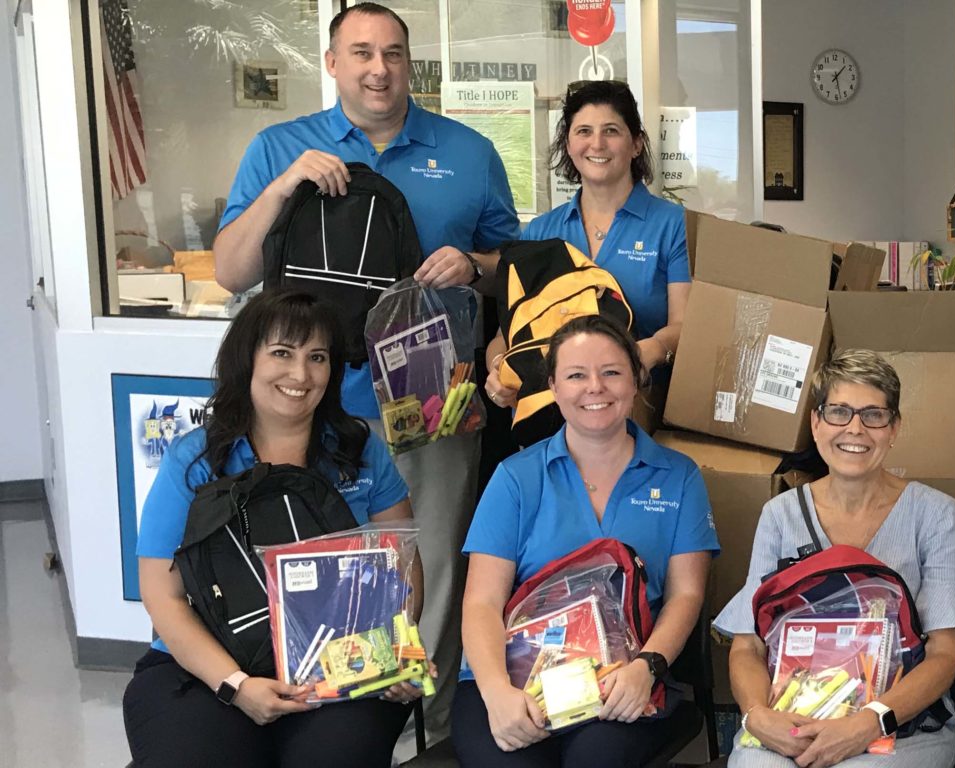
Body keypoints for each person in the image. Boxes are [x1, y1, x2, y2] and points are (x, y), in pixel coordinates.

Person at [210, 3, 522, 736]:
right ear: (332, 63)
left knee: (434, 562)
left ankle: (432, 730)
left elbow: (513, 265)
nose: (378, 68)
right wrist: (285, 185)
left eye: (392, 53)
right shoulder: (280, 146)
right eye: (360, 53)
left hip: (431, 405)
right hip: (304, 401)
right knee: (308, 560)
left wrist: (474, 264)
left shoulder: (470, 152)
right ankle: (319, 724)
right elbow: (230, 270)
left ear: (411, 62)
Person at [123, 289, 419, 767]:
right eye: (282, 353)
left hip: (339, 669)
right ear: (248, 361)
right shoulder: (196, 459)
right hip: (208, 670)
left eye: (316, 357)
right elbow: (163, 596)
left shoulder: (362, 451)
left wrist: (395, 651)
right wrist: (236, 686)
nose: (300, 375)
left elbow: (403, 567)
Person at [453, 315, 718, 767]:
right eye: (576, 375)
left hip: (624, 677)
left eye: (612, 372)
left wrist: (647, 668)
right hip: (513, 676)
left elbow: (686, 595)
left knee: (598, 758)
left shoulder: (680, 477)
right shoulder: (515, 478)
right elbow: (481, 603)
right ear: (554, 388)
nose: (595, 387)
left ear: (636, 381)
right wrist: (497, 693)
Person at [714, 350, 955, 768]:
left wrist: (867, 723)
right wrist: (757, 717)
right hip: (794, 714)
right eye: (839, 412)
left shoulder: (935, 514)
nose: (855, 429)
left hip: (899, 725)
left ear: (894, 427)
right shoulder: (781, 514)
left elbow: (944, 654)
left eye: (873, 415)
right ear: (815, 422)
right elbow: (748, 645)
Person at [485, 81, 689, 411]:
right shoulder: (540, 232)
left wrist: (648, 351)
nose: (597, 143)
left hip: (642, 413)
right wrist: (497, 370)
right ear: (568, 144)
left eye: (611, 130)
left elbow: (685, 326)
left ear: (636, 144)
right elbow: (506, 335)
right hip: (551, 421)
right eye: (583, 131)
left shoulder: (673, 225)